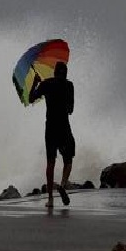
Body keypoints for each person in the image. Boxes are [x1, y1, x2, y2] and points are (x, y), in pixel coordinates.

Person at [29, 61, 75, 208]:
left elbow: (31, 99)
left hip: (50, 127)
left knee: (50, 162)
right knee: (68, 158)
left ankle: (50, 199)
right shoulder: (69, 86)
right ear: (65, 73)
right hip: (64, 126)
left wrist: (36, 83)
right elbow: (70, 109)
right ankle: (62, 185)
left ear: (54, 72)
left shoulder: (46, 84)